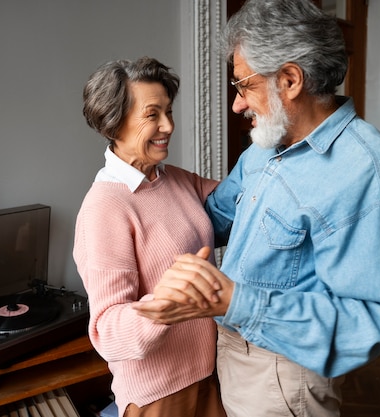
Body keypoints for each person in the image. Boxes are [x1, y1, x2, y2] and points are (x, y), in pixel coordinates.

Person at [133, 1, 380, 416]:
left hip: (284, 377)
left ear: (289, 79)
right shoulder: (265, 149)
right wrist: (139, 190)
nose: (237, 105)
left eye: (243, 85)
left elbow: (369, 321)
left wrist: (235, 302)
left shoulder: (363, 171)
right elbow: (214, 217)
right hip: (231, 353)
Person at [73, 56, 226, 417]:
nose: (168, 125)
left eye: (169, 111)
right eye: (152, 114)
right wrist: (163, 306)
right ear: (114, 122)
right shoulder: (105, 207)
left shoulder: (173, 178)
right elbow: (107, 330)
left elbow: (240, 200)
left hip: (212, 372)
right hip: (160, 394)